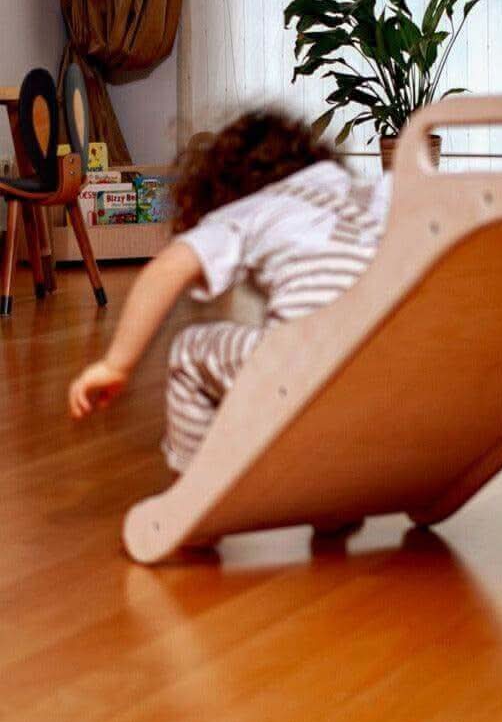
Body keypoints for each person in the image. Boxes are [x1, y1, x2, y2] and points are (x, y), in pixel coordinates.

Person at [67, 110, 391, 470]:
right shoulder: (371, 191)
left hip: (304, 362)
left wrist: (116, 364)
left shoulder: (250, 208)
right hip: (393, 358)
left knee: (189, 352)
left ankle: (194, 481)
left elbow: (167, 269)